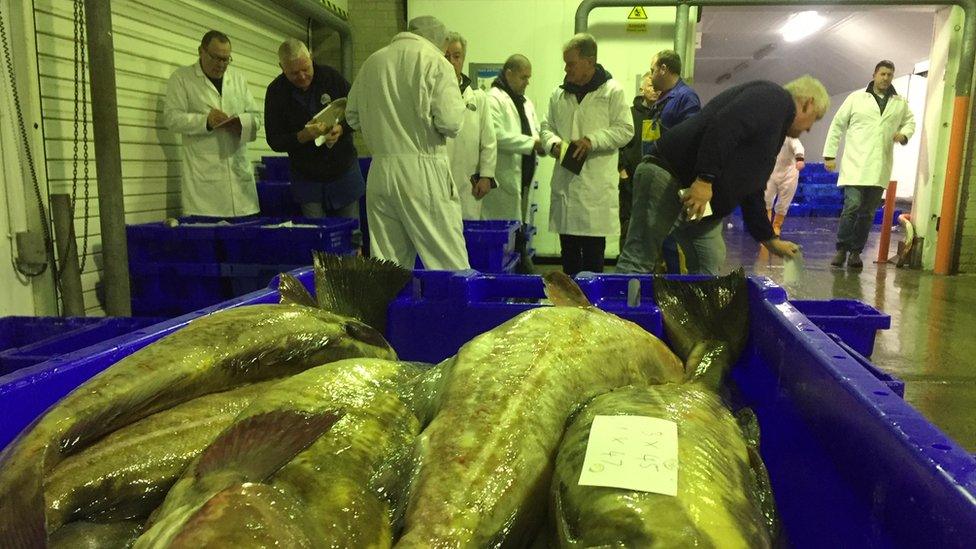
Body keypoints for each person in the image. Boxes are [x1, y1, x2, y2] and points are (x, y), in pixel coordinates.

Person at [617, 76, 830, 275]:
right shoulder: (774, 98)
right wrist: (704, 179)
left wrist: (769, 238)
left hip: (701, 202)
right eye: (815, 118)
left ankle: (697, 314)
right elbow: (725, 124)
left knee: (708, 264)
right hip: (670, 175)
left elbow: (752, 185)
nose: (810, 128)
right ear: (808, 103)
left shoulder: (774, 127)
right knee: (639, 258)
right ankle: (614, 313)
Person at [346, 16, 469, 270]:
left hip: (380, 172)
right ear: (440, 41)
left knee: (388, 268)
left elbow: (352, 116)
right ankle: (456, 311)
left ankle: (390, 311)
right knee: (448, 264)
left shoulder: (373, 62)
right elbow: (451, 123)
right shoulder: (435, 62)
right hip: (423, 171)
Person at [540, 33, 633, 275]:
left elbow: (626, 130)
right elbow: (546, 127)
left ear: (589, 62)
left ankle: (592, 310)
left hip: (595, 190)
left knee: (593, 261)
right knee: (569, 259)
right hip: (566, 186)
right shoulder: (557, 94)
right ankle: (569, 310)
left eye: (571, 63)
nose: (566, 68)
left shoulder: (612, 92)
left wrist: (593, 140)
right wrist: (554, 144)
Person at [264, 38, 364, 233]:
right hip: (306, 176)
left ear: (311, 57)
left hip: (343, 169)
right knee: (316, 235)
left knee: (351, 233)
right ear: (281, 67)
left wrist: (341, 129)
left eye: (306, 69)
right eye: (294, 73)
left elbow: (358, 111)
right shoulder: (276, 92)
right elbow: (274, 140)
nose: (302, 76)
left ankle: (353, 263)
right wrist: (302, 136)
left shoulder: (331, 78)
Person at [824, 60, 915, 269]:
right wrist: (830, 155)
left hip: (879, 166)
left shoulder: (899, 102)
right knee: (852, 206)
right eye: (882, 74)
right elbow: (838, 124)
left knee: (867, 212)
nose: (886, 78)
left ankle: (856, 252)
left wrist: (904, 134)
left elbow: (910, 122)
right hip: (855, 164)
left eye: (890, 75)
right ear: (874, 75)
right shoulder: (856, 98)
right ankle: (841, 249)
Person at [164, 30, 262, 218]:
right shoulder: (182, 78)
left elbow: (256, 117)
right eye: (216, 58)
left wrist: (241, 124)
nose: (221, 65)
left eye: (226, 59)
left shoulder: (238, 80)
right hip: (204, 192)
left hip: (241, 190)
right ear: (201, 51)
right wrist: (205, 121)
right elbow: (171, 118)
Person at [620, 50, 702, 271]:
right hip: (652, 174)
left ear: (664, 68)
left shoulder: (685, 97)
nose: (651, 74)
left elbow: (692, 137)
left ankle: (629, 295)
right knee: (643, 243)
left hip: (665, 176)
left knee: (642, 246)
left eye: (653, 69)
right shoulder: (662, 100)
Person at [484, 54, 544, 273]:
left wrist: (543, 143)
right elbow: (497, 135)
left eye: (529, 77)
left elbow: (535, 130)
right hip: (505, 178)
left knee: (520, 232)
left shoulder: (526, 102)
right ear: (508, 74)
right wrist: (532, 143)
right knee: (506, 237)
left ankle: (522, 273)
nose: (527, 82)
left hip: (524, 178)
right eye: (523, 77)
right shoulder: (493, 99)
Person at [443, 32, 497, 221]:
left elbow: (489, 141)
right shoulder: (429, 96)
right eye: (446, 56)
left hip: (469, 183)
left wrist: (486, 176)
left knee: (469, 237)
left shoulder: (478, 98)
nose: (451, 62)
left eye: (456, 56)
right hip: (439, 179)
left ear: (463, 59)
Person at [765, 136, 805, 235]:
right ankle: (765, 227)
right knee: (766, 198)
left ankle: (776, 227)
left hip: (789, 173)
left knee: (783, 203)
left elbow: (798, 146)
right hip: (771, 171)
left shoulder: (789, 136)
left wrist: (800, 159)